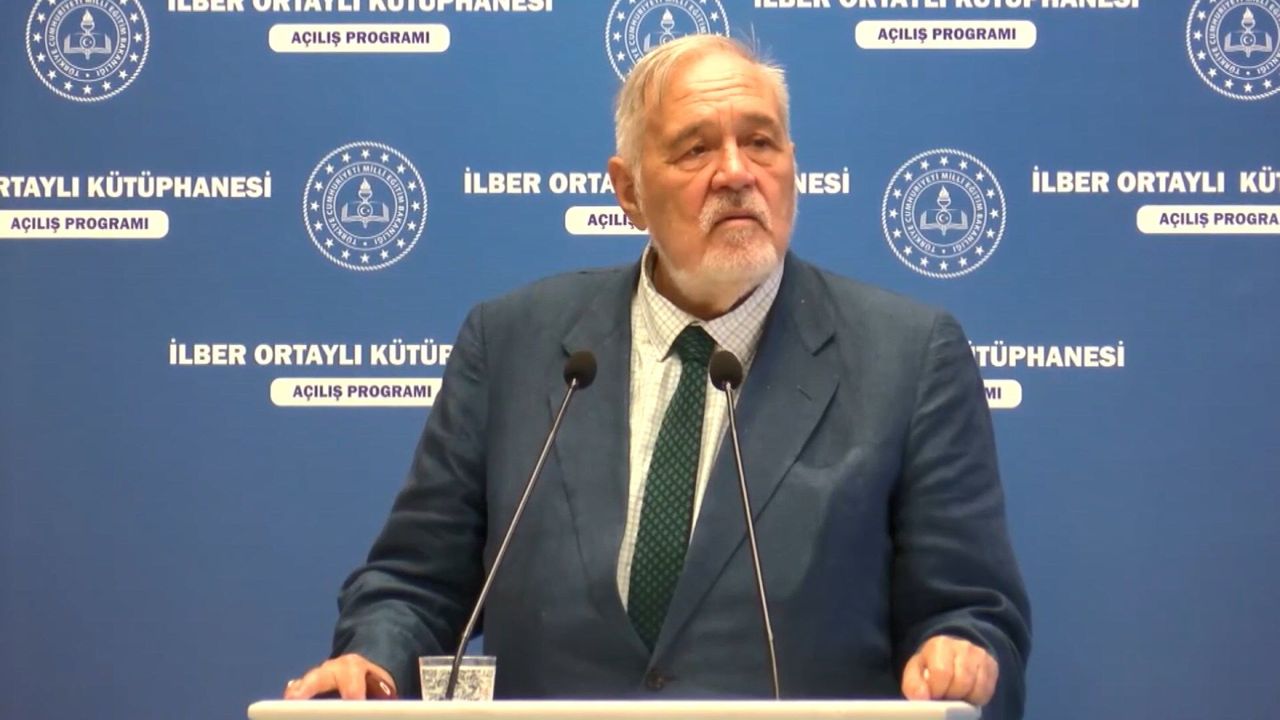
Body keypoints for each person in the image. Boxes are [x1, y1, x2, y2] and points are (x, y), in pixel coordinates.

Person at [284, 34, 1032, 718]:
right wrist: (372, 663)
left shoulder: (908, 356)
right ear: (628, 190)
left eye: (760, 142)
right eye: (695, 150)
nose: (736, 173)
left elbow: (970, 612)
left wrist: (961, 656)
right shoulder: (513, 343)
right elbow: (418, 582)